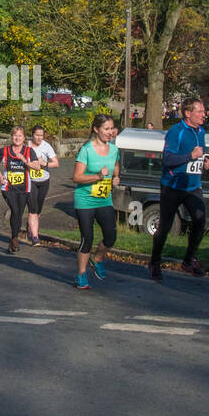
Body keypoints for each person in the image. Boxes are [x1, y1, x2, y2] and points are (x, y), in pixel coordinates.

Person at [148, 98, 209, 282]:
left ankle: (188, 260)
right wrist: (190, 156)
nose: (203, 114)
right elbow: (167, 159)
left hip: (192, 186)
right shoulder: (176, 132)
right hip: (172, 186)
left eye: (203, 111)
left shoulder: (201, 131)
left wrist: (205, 162)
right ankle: (155, 262)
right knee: (165, 227)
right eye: (199, 111)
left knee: (200, 220)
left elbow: (200, 154)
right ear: (188, 113)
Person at [72, 114, 120, 289]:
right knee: (88, 238)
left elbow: (115, 165)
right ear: (96, 130)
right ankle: (82, 274)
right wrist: (97, 176)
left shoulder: (114, 149)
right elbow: (76, 177)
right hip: (85, 200)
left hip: (104, 200)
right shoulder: (86, 150)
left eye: (111, 129)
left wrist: (116, 177)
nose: (110, 132)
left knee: (111, 236)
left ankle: (97, 258)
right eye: (106, 129)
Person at [0, 127, 42, 253]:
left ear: (24, 138)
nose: (17, 138)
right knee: (15, 210)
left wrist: (24, 160)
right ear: (12, 137)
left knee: (18, 214)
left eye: (20, 136)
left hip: (24, 188)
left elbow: (37, 167)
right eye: (15, 135)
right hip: (8, 188)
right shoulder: (4, 151)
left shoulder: (29, 151)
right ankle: (15, 239)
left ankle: (13, 238)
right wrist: (0, 176)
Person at [25, 125, 59, 246]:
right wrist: (30, 164)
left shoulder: (46, 146)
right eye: (37, 135)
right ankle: (35, 237)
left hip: (44, 181)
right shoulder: (26, 146)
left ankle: (30, 227)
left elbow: (56, 163)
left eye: (41, 135)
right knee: (32, 209)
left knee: (38, 210)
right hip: (31, 181)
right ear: (32, 135)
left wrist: (44, 163)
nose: (39, 138)